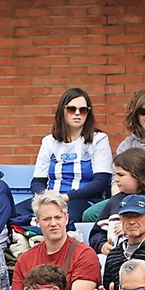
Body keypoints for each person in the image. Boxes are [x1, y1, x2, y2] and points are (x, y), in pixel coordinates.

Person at [6, 193, 102, 290]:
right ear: (37, 222)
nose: (53, 223)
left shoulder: (84, 254)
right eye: (46, 219)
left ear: (66, 219)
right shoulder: (25, 258)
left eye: (58, 217)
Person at [30, 89, 114, 222]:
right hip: (51, 199)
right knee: (17, 212)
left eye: (83, 110)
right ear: (62, 111)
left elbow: (100, 182)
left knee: (65, 216)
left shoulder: (99, 139)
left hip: (83, 201)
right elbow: (37, 182)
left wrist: (66, 197)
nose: (77, 113)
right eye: (71, 109)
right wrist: (47, 197)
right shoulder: (49, 141)